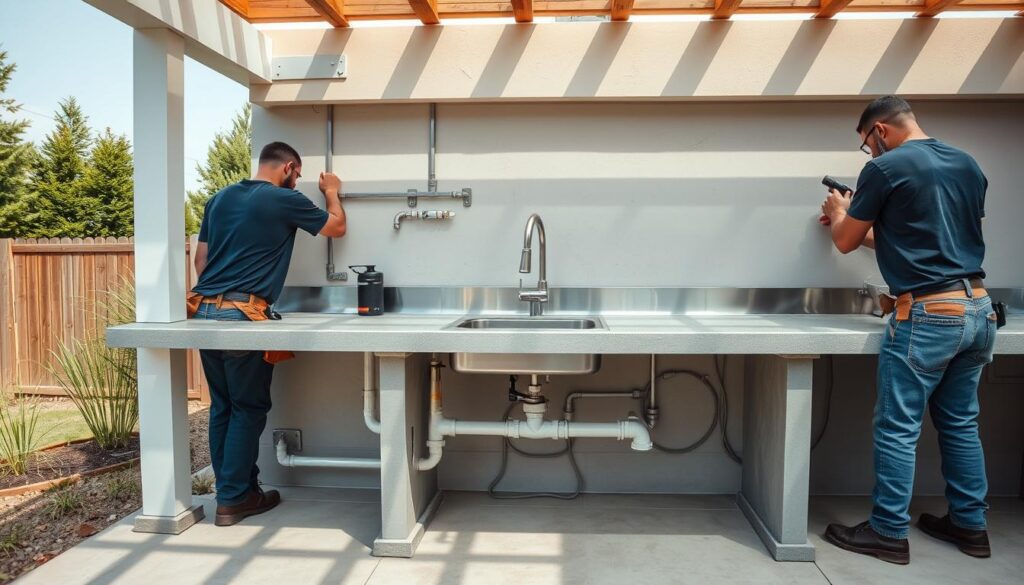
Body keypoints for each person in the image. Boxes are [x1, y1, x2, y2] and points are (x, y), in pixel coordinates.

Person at [819, 96, 995, 565]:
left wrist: (841, 211)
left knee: (897, 428)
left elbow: (844, 242)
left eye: (866, 145)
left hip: (927, 316)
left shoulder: (885, 168)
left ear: (880, 130)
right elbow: (928, 241)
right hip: (977, 309)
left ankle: (888, 532)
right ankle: (970, 526)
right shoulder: (967, 163)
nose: (870, 155)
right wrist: (858, 223)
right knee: (960, 424)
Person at [189, 141, 347, 526]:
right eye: (299, 175)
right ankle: (233, 498)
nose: (298, 181)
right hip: (244, 314)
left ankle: (240, 490)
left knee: (223, 406)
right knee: (248, 407)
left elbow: (200, 260)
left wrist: (220, 299)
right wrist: (331, 192)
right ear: (289, 167)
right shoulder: (279, 199)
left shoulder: (219, 199)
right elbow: (336, 228)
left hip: (204, 311)